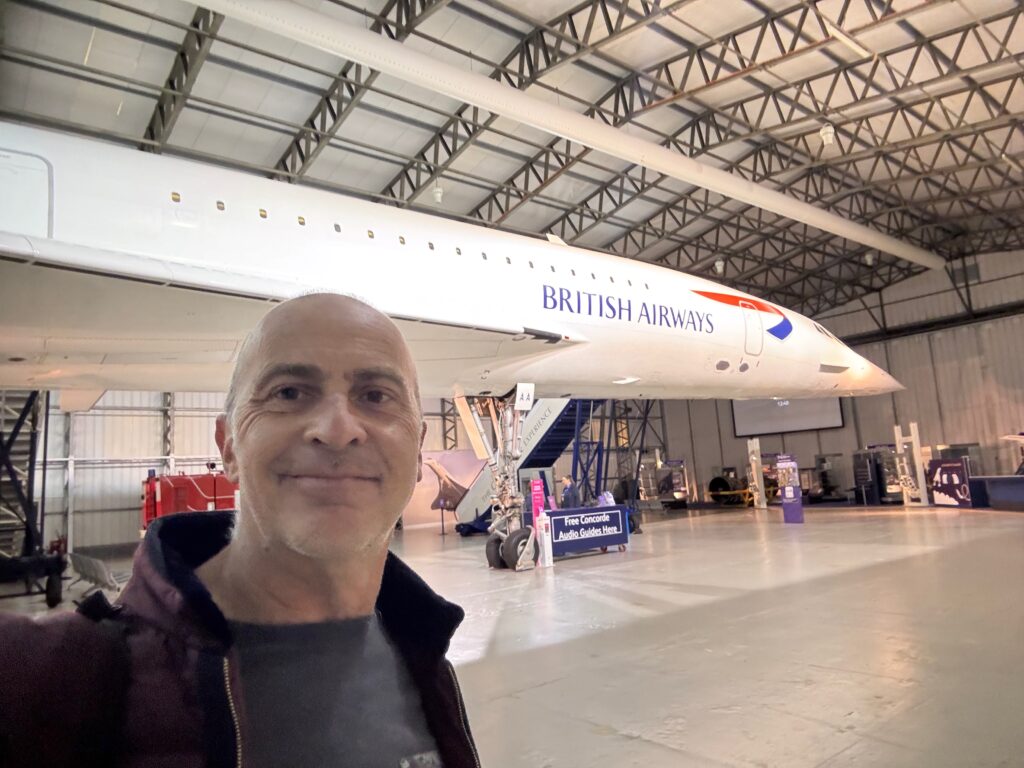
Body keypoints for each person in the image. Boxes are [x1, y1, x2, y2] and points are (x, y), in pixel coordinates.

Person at [0, 293, 479, 768]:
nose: (337, 429)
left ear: (418, 451)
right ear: (228, 446)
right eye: (289, 393)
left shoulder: (424, 662)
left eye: (376, 396)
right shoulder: (52, 676)